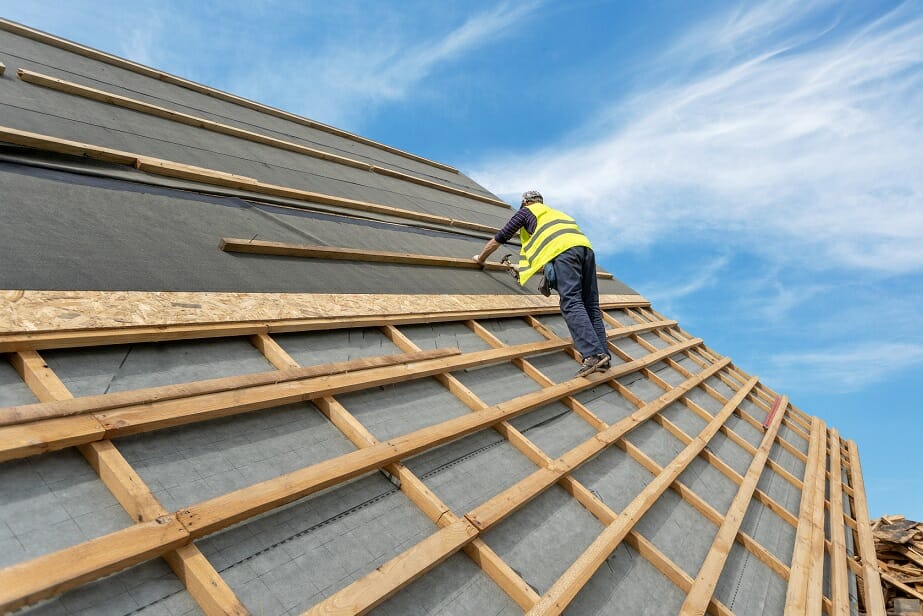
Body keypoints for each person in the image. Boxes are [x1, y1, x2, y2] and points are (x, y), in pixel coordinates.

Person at [474, 190, 610, 377]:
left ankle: (593, 354)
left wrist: (480, 258)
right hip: (585, 250)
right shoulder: (555, 214)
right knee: (591, 305)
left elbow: (500, 238)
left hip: (564, 253)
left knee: (571, 302)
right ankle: (603, 356)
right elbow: (551, 249)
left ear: (525, 203)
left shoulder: (526, 212)